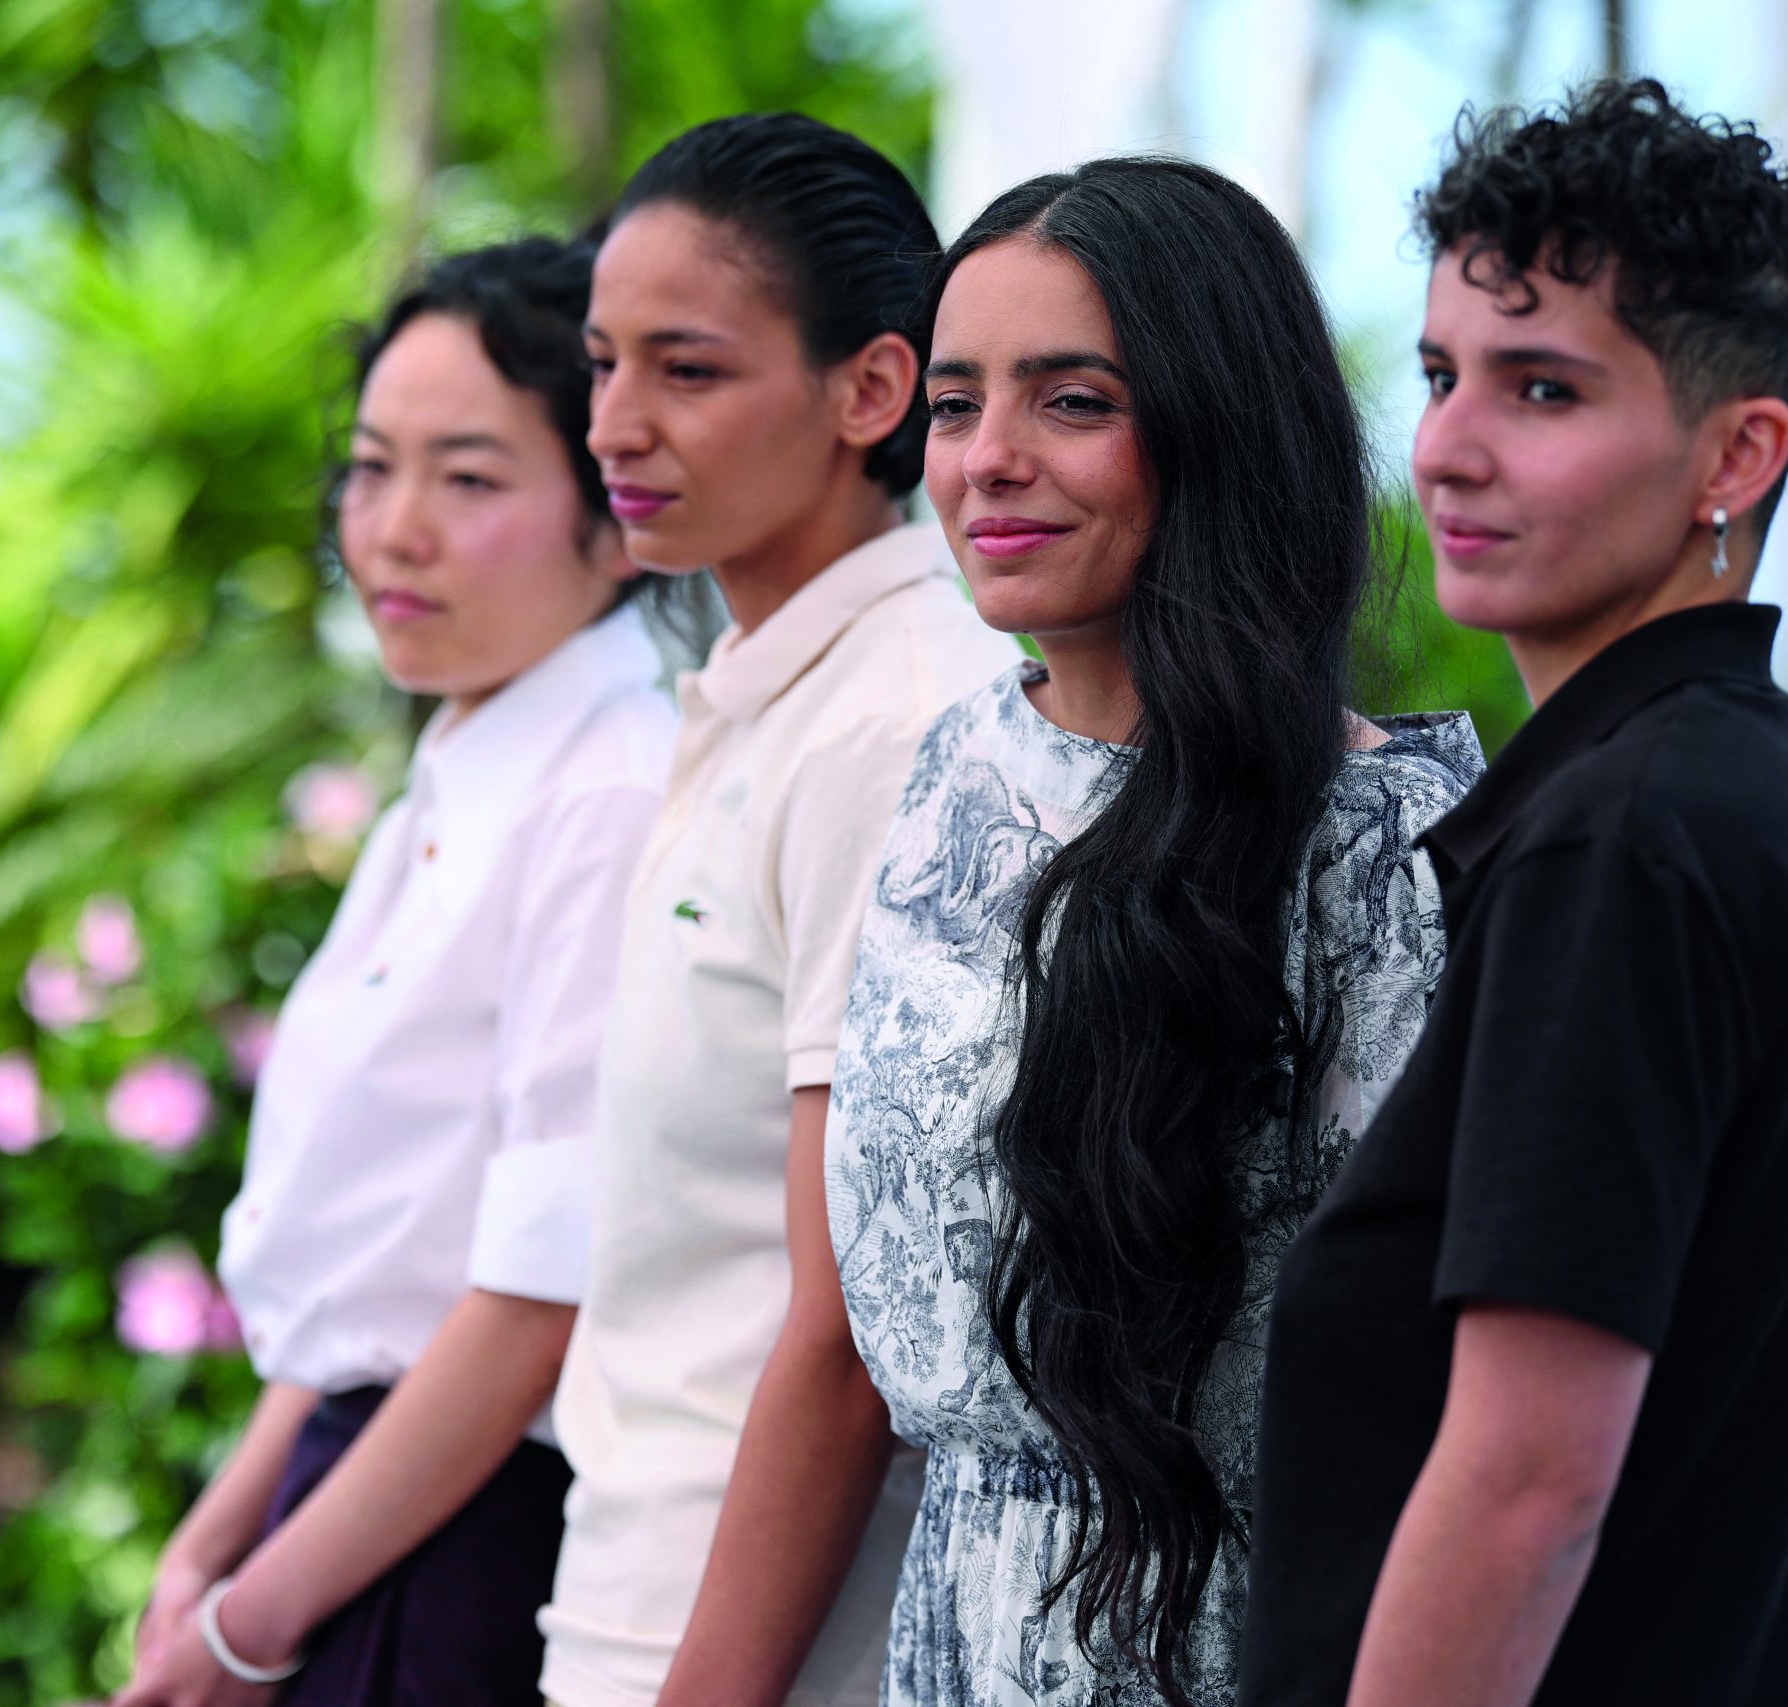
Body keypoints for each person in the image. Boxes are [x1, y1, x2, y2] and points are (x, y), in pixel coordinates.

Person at [1242, 78, 1788, 1707]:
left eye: (1541, 388)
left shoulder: (1628, 840)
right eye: (1440, 374)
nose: (1447, 448)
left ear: (1737, 453)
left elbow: (1529, 1485)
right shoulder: (1739, 798)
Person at [824, 158, 1483, 1707]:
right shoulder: (951, 767)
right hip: (945, 1620)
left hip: (1232, 1639)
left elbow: (1430, 1395)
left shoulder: (1378, 850)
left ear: (1219, 427)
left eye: (1071, 402)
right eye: (957, 404)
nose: (990, 459)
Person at [115, 239, 676, 1707]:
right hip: (344, 1497)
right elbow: (372, 1278)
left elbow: (530, 1307)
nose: (392, 532)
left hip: (465, 1530)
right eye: (370, 470)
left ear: (620, 516)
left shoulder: (607, 792)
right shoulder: (462, 762)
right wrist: (214, 1544)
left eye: (470, 479)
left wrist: (250, 1622)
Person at [539, 114, 1025, 1707]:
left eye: (685, 370)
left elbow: (848, 1328)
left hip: (760, 1652)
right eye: (601, 364)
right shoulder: (771, 689)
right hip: (630, 1597)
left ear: (871, 390)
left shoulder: (895, 718)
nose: (614, 423)